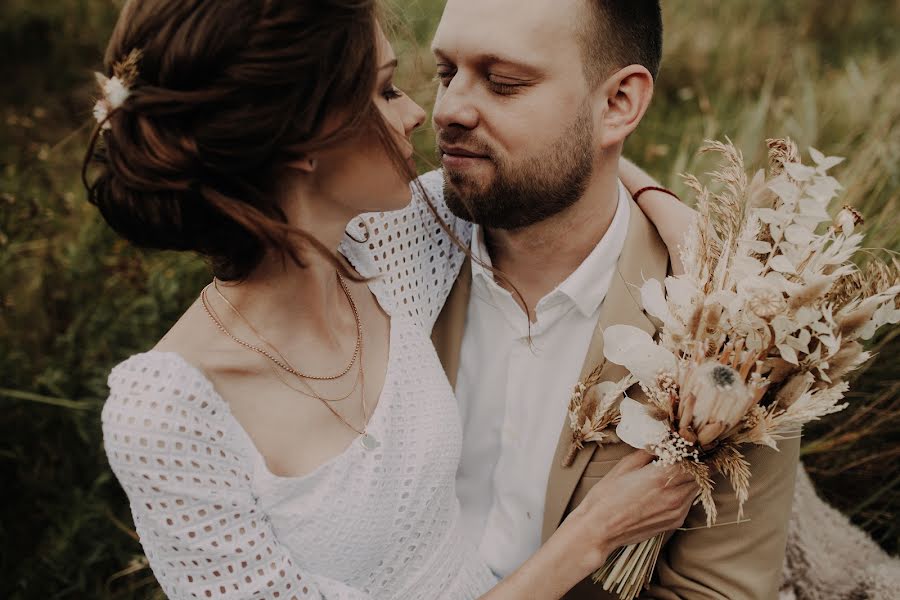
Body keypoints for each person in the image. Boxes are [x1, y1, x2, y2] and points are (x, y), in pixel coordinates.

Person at [85, 0, 700, 598]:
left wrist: (677, 219)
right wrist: (589, 537)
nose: (422, 112)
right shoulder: (168, 418)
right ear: (302, 136)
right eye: (383, 91)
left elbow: (545, 159)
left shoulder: (391, 243)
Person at [412, 0, 801, 598]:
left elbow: (715, 589)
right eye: (446, 74)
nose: (450, 109)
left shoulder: (739, 321)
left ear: (619, 103)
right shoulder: (380, 242)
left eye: (503, 83)